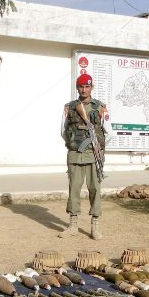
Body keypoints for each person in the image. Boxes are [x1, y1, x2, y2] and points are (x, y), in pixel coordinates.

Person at [58, 74, 112, 240]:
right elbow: (63, 131)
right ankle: (73, 225)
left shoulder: (100, 107)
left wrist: (96, 146)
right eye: (81, 86)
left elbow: (108, 132)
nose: (84, 89)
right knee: (73, 189)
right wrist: (74, 144)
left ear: (91, 87)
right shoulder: (69, 108)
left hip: (93, 155)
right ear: (77, 88)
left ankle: (94, 226)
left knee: (95, 189)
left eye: (87, 86)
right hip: (75, 155)